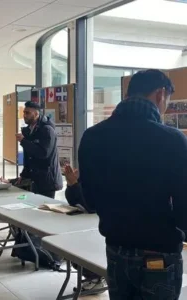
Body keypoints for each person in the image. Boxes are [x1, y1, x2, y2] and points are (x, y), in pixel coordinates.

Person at [79, 69, 187, 299]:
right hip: (160, 251)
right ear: (161, 94)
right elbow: (184, 208)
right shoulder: (172, 139)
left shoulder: (92, 136)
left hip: (116, 249)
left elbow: (89, 201)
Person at [64, 165, 106, 294]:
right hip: (83, 222)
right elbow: (73, 201)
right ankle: (93, 277)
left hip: (97, 225)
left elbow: (91, 205)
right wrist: (71, 184)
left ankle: (97, 278)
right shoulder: (88, 171)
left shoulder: (104, 175)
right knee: (71, 248)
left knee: (83, 250)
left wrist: (75, 185)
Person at [16, 101, 62, 198]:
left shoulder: (47, 130)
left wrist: (24, 141)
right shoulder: (28, 130)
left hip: (47, 180)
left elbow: (44, 153)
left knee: (44, 210)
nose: (24, 115)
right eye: (24, 112)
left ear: (36, 114)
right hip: (34, 178)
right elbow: (29, 156)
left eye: (28, 113)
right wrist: (24, 175)